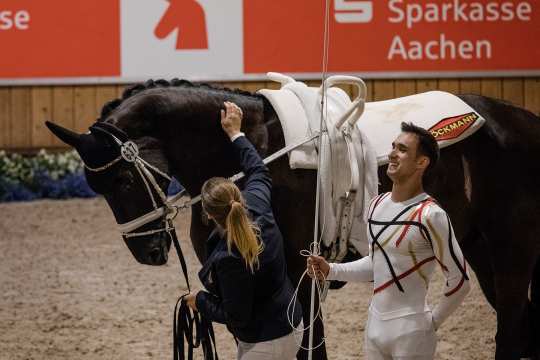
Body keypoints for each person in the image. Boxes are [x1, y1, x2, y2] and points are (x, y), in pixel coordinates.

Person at [307, 122, 470, 360]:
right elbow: (377, 264)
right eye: (393, 147)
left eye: (402, 149)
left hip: (412, 332)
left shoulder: (430, 215)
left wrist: (431, 322)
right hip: (374, 327)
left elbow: (460, 280)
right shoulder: (376, 205)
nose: (392, 153)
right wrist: (330, 269)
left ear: (421, 162)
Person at [185, 101, 303, 359]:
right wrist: (235, 134)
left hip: (263, 343)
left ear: (207, 214)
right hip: (294, 326)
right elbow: (258, 169)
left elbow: (236, 317)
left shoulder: (229, 259)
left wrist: (201, 301)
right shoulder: (258, 202)